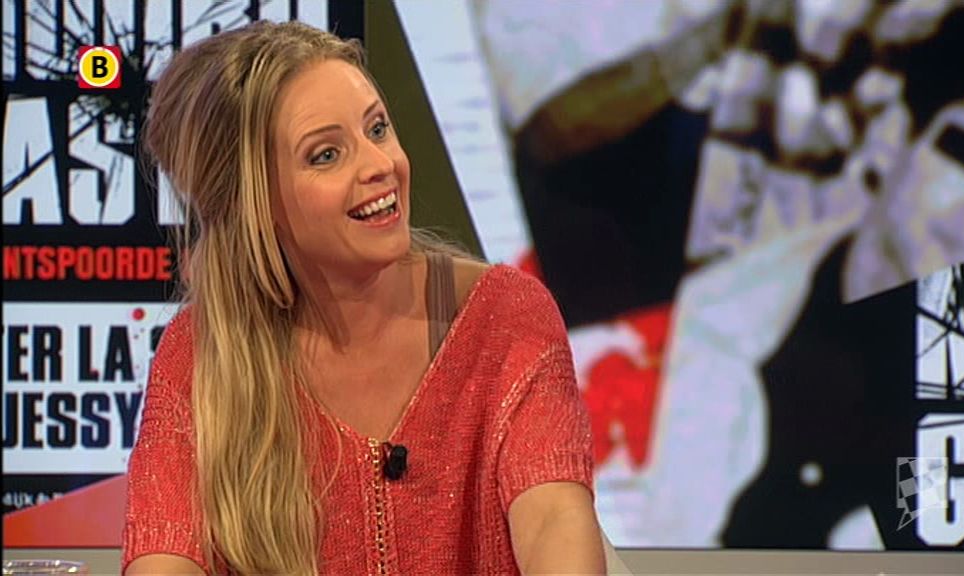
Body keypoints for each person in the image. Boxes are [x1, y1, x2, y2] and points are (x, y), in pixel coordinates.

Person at [122, 20, 605, 575]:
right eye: (326, 155)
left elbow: (554, 522)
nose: (380, 165)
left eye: (377, 128)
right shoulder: (201, 356)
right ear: (254, 204)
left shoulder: (505, 318)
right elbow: (163, 556)